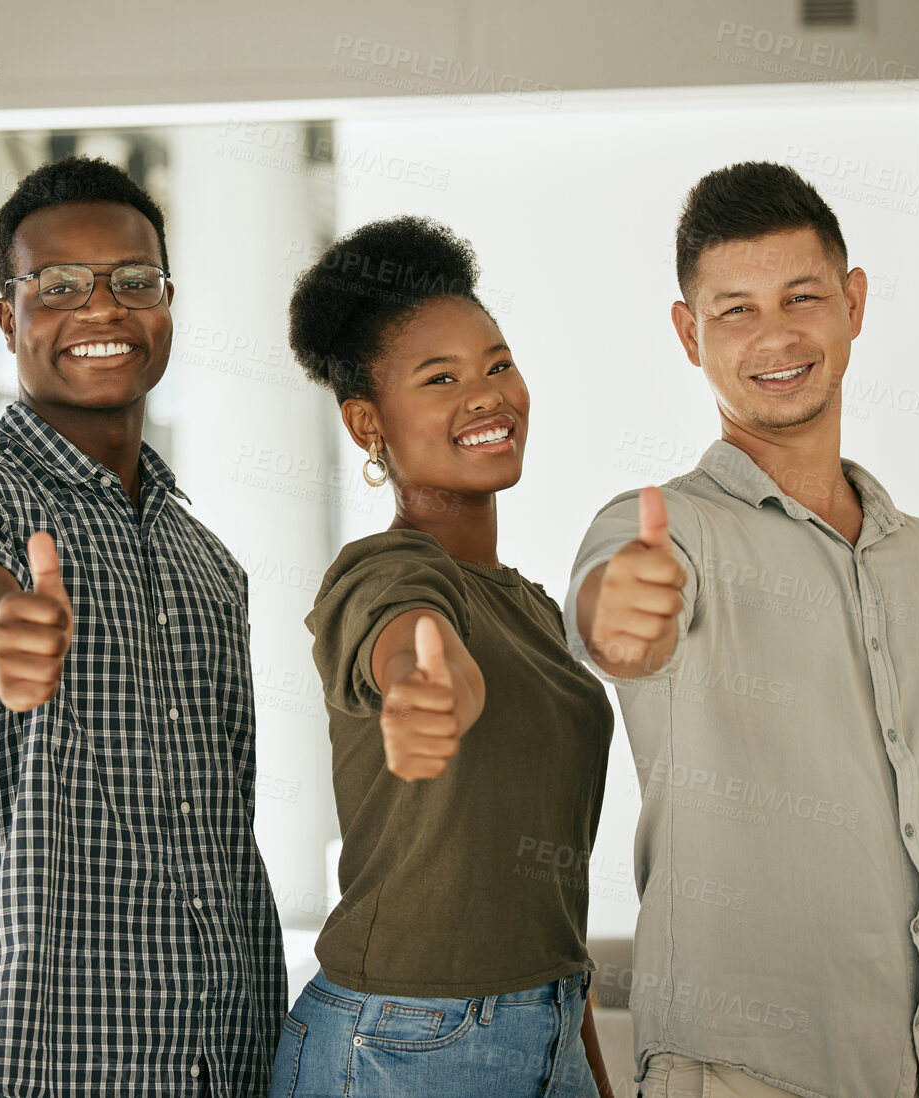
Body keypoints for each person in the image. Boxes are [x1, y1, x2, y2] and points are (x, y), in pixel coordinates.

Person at [566, 161, 919, 1097]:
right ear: (689, 334)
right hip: (741, 1076)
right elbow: (616, 626)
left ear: (852, 303)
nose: (773, 335)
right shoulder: (661, 530)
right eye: (734, 310)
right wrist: (620, 619)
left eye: (800, 296)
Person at [0, 155, 287, 1098]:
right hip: (28, 1069)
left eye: (133, 282)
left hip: (224, 1062)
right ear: (7, 317)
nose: (102, 310)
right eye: (58, 286)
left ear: (166, 304)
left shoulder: (205, 559)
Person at [273, 215, 617, 1098]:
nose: (487, 395)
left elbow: (543, 897)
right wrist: (418, 686)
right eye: (441, 378)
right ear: (365, 423)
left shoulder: (533, 611)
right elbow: (404, 636)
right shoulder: (379, 573)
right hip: (398, 1047)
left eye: (497, 363)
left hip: (550, 1028)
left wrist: (579, 1056)